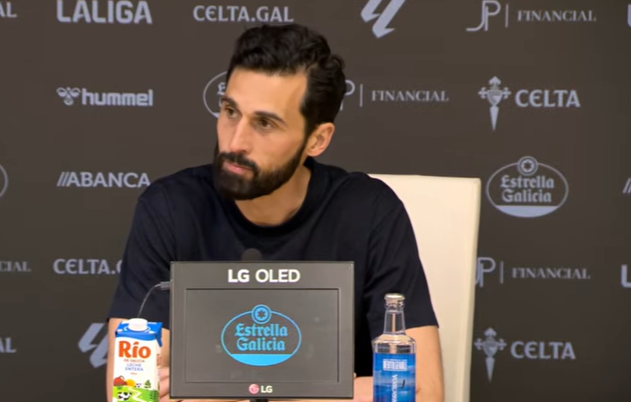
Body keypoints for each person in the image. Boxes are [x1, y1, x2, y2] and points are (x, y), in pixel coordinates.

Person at [106, 23, 444, 402]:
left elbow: (421, 392)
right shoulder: (169, 207)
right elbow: (132, 390)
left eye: (265, 124)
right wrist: (337, 391)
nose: (236, 142)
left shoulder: (370, 213)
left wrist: (217, 390)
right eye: (230, 111)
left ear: (317, 139)